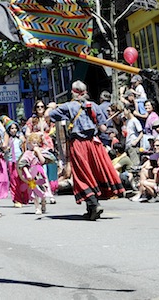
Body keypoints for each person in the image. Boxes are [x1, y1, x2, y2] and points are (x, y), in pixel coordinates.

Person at [50, 81, 125, 220]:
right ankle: (91, 209)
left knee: (83, 174)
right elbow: (103, 128)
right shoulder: (94, 106)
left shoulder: (69, 106)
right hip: (94, 144)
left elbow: (52, 115)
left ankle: (93, 203)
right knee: (95, 172)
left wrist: (52, 107)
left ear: (73, 92)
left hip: (79, 144)